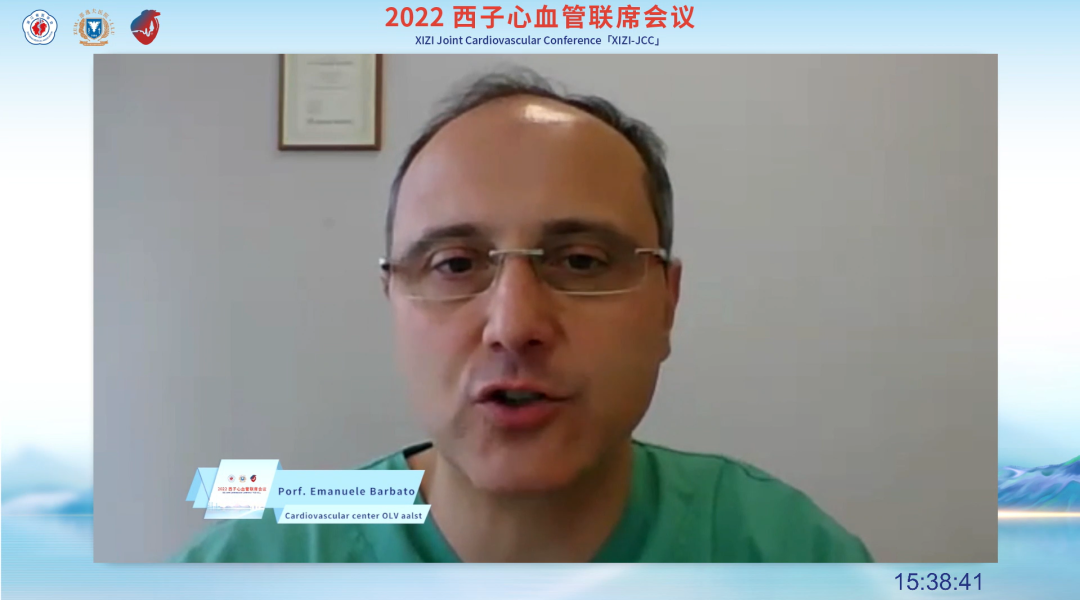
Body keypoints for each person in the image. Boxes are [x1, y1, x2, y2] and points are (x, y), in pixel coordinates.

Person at [177, 69, 873, 563]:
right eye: (455, 263)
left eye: (582, 262)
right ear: (392, 301)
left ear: (667, 303)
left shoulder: (782, 550)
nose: (513, 326)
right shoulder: (255, 562)